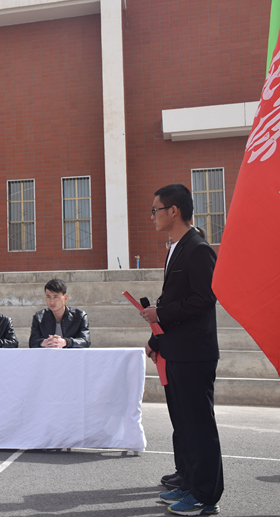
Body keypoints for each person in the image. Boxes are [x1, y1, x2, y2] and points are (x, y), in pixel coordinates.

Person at [141, 184, 223, 515]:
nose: (153, 216)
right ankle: (190, 483)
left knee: (199, 426)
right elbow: (176, 298)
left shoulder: (198, 249)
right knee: (186, 425)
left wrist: (160, 314)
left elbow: (204, 299)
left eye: (156, 209)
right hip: (177, 350)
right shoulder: (177, 247)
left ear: (173, 210)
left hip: (194, 354)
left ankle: (206, 496)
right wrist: (158, 339)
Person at [29, 279, 90, 348]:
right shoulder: (39, 317)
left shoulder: (80, 316)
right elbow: (32, 342)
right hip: (48, 354)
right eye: (48, 297)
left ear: (65, 298)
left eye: (56, 297)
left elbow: (85, 341)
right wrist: (44, 342)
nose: (51, 302)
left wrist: (65, 342)